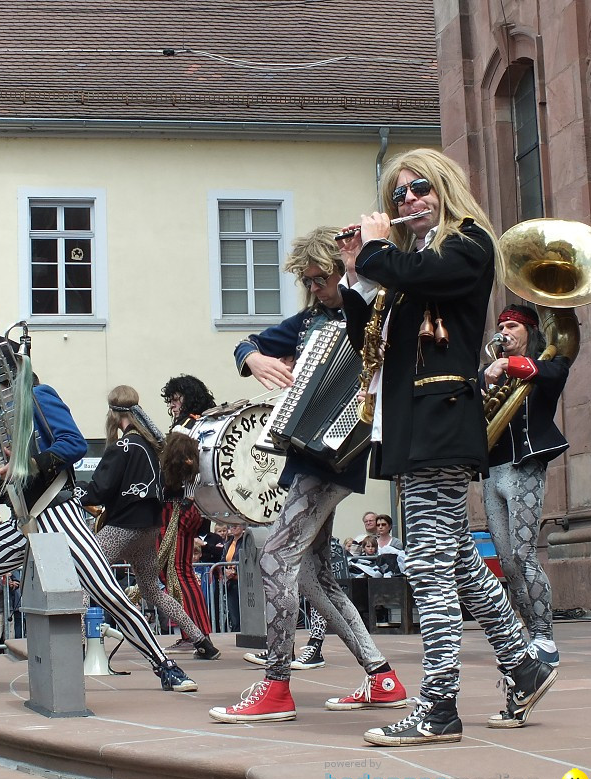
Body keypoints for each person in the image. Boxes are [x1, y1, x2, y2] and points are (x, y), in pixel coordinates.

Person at [338, 147, 557, 745]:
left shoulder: (467, 244)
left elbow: (414, 275)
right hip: (416, 425)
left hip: (442, 420)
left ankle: (439, 706)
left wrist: (378, 250)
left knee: (431, 570)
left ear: (441, 187)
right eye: (397, 196)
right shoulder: (407, 266)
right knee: (456, 555)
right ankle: (524, 664)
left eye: (416, 190)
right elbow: (371, 343)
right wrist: (357, 276)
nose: (406, 201)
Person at [211, 226, 408, 724]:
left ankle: (276, 685)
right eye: (307, 281)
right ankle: (381, 676)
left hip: (339, 454)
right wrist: (254, 358)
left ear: (343, 270)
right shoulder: (308, 321)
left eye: (319, 279)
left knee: (275, 556)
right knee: (318, 578)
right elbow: (248, 344)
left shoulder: (369, 308)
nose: (313, 289)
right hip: (306, 455)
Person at [0, 362, 197, 699]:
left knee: (109, 594)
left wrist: (28, 462)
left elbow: (73, 444)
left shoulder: (38, 396)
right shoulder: (2, 421)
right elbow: (0, 479)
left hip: (58, 515)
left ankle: (165, 665)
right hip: (26, 521)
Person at [81, 385, 221, 661]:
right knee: (151, 590)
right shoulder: (153, 445)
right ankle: (202, 641)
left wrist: (75, 492)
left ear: (113, 412)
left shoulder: (122, 446)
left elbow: (99, 490)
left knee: (84, 576)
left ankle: (76, 644)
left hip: (122, 526)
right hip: (149, 527)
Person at [482, 303, 569, 668]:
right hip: (492, 470)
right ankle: (526, 628)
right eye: (501, 325)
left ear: (530, 332)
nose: (505, 330)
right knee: (506, 561)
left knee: (523, 554)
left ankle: (544, 635)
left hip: (524, 467)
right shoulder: (492, 372)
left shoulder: (546, 364)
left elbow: (550, 373)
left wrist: (507, 365)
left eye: (513, 325)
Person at [157, 374, 218, 656]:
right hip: (189, 504)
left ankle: (197, 633)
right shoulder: (201, 424)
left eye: (175, 399)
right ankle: (193, 631)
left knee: (179, 571)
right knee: (177, 571)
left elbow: (184, 469)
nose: (172, 405)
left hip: (181, 504)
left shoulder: (187, 426)